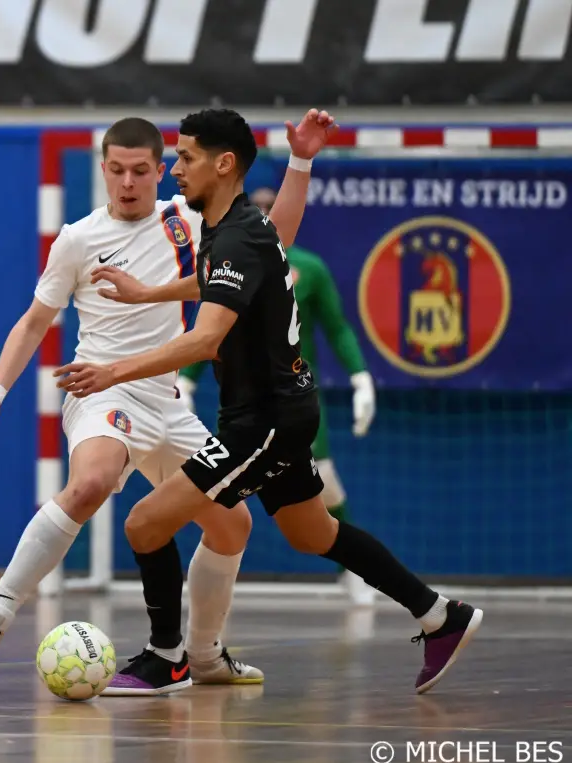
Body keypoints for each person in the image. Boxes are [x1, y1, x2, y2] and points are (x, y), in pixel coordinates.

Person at [54, 108, 481, 695]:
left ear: (223, 164)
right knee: (312, 533)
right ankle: (439, 615)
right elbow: (244, 259)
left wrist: (111, 372)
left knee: (145, 523)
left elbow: (204, 339)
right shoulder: (239, 227)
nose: (175, 169)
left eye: (186, 158)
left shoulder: (233, 235)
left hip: (264, 422)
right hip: (277, 412)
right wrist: (301, 161)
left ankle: (167, 658)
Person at [0, 110, 335, 695]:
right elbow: (32, 323)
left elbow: (271, 243)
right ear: (103, 170)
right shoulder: (78, 239)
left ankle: (203, 657)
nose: (127, 182)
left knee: (233, 525)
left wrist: (300, 161)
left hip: (166, 400)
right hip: (103, 390)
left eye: (140, 171)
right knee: (91, 483)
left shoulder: (187, 219)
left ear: (162, 170)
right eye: (116, 170)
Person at [178, 185, 378, 604]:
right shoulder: (229, 261)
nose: (265, 215)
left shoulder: (310, 268)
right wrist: (187, 379)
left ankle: (355, 570)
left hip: (292, 397)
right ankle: (202, 576)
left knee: (325, 487)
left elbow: (337, 327)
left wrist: (361, 377)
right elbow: (208, 326)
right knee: (208, 488)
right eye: (258, 208)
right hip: (242, 400)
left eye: (272, 208)